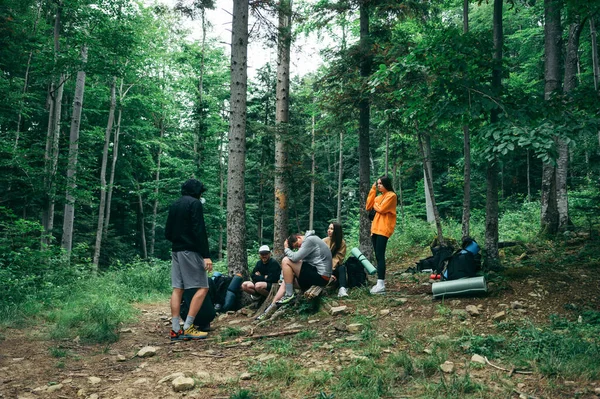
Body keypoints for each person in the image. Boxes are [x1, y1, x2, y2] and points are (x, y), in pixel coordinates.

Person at [165, 178, 213, 340]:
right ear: (196, 191)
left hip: (176, 250)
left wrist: (179, 241)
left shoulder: (175, 205)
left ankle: (175, 329)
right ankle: (188, 327)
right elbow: (199, 230)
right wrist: (206, 255)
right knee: (203, 287)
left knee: (178, 288)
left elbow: (167, 232)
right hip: (191, 251)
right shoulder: (195, 204)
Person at [276, 230, 333, 305]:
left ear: (298, 237)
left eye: (297, 245)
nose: (299, 247)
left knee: (285, 260)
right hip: (319, 276)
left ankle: (289, 295)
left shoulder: (309, 240)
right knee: (287, 280)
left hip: (321, 277)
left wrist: (286, 248)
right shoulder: (310, 241)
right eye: (297, 247)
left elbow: (295, 258)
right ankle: (271, 306)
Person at [366, 175, 397, 294]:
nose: (379, 185)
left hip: (384, 229)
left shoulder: (392, 196)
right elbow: (368, 206)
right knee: (378, 256)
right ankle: (379, 283)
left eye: (380, 184)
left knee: (380, 255)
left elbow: (382, 209)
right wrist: (373, 190)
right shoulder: (379, 196)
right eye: (377, 183)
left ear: (386, 184)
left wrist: (376, 205)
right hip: (375, 229)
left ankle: (381, 283)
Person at [322, 222, 348, 297]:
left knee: (342, 268)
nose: (329, 230)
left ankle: (342, 289)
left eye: (332, 229)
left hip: (333, 268)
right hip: (323, 269)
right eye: (329, 228)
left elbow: (339, 258)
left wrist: (331, 269)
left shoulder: (341, 243)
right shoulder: (324, 241)